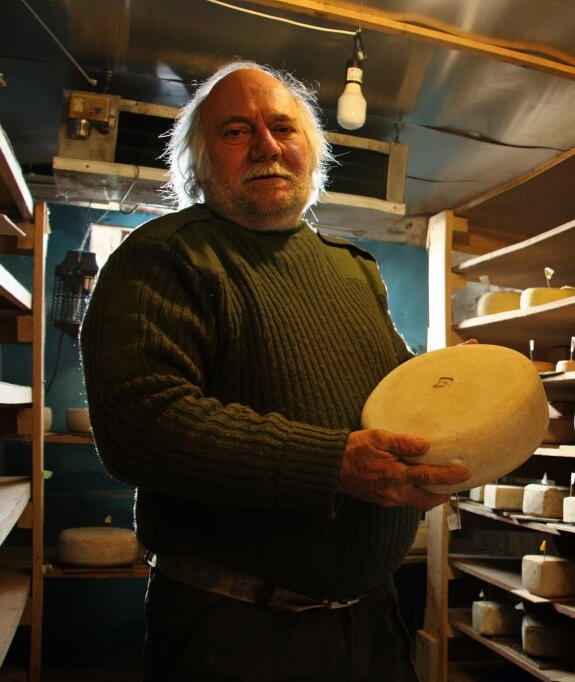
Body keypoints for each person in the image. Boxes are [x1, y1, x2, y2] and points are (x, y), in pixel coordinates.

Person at [79, 60, 470, 681]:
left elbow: (401, 397)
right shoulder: (163, 255)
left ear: (310, 151)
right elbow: (142, 426)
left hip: (371, 622)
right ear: (199, 162)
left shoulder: (353, 270)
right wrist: (332, 463)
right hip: (236, 631)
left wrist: (471, 420)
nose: (266, 145)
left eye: (283, 129)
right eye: (236, 131)